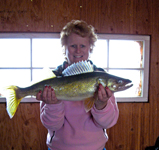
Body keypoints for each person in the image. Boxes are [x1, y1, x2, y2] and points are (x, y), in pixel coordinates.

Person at [36, 20, 119, 150]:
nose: (78, 50)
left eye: (83, 46)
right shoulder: (54, 79)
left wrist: (101, 105)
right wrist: (53, 105)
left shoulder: (101, 78)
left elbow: (108, 122)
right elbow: (52, 125)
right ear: (64, 47)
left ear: (90, 47)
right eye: (73, 46)